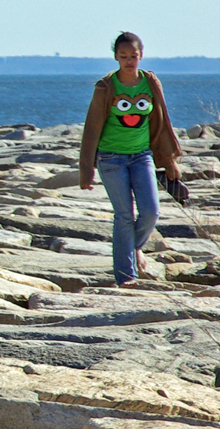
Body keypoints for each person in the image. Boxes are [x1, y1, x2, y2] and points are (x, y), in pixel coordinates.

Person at [78, 31, 182, 286]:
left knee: (151, 211)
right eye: (123, 56)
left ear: (141, 55)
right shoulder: (106, 86)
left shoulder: (150, 82)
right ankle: (126, 277)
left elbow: (162, 123)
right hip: (110, 158)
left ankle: (134, 247)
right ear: (116, 57)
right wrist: (86, 171)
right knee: (124, 215)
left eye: (133, 56)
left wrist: (169, 161)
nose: (129, 61)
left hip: (142, 156)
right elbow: (91, 130)